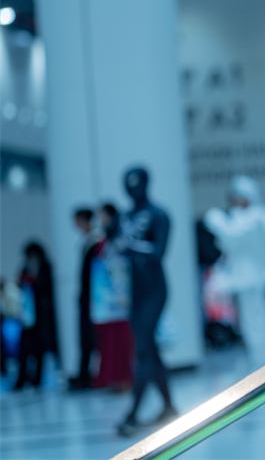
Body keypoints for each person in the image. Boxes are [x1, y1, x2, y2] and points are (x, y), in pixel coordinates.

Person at [116, 168, 176, 436]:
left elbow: (158, 252)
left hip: (154, 289)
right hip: (135, 291)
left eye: (136, 183)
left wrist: (129, 246)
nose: (132, 189)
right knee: (149, 348)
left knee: (143, 348)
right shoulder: (125, 216)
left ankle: (133, 414)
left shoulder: (158, 214)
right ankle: (169, 406)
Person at [204, 176, 265, 371]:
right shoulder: (249, 216)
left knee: (257, 321)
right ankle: (260, 360)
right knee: (249, 322)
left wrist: (217, 221)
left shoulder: (255, 217)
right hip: (245, 279)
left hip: (252, 279)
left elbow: (232, 237)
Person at [91, 203, 134, 391]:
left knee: (123, 341)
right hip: (107, 300)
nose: (101, 220)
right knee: (111, 342)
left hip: (122, 299)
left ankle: (125, 379)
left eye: (103, 216)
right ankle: (115, 379)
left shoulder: (122, 240)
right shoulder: (103, 242)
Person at [14, 242, 58, 390]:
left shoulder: (45, 267)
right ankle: (21, 380)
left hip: (42, 317)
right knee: (24, 349)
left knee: (40, 349)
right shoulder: (25, 269)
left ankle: (37, 379)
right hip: (27, 316)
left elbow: (47, 287)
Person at [69, 207, 101, 390]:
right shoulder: (87, 241)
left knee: (91, 336)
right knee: (85, 337)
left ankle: (88, 375)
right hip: (87, 297)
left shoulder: (95, 242)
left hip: (93, 298)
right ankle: (84, 374)